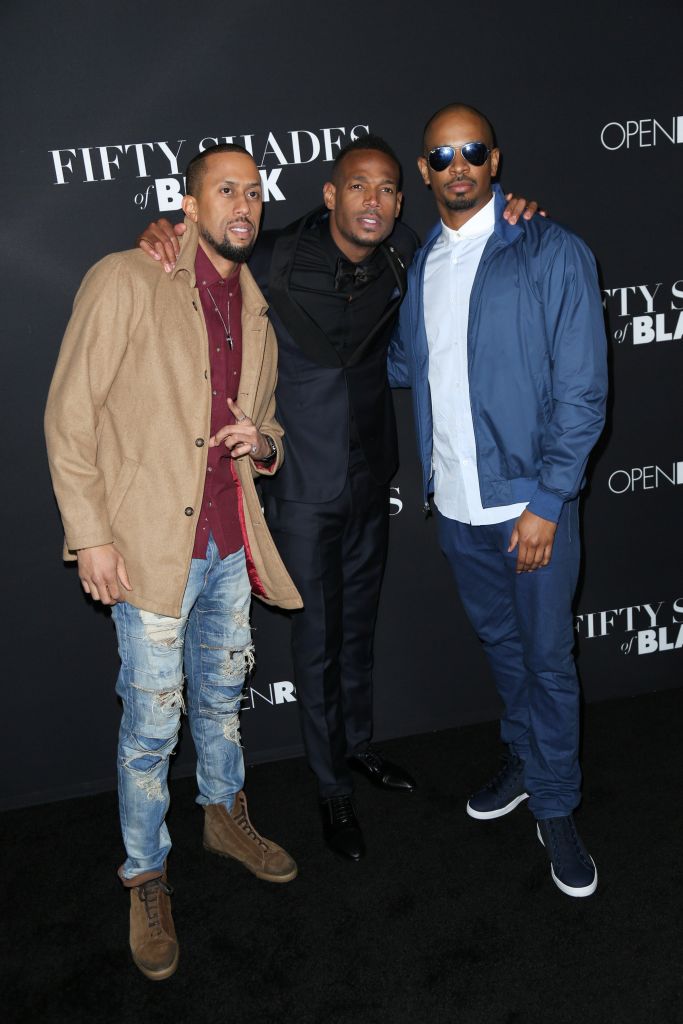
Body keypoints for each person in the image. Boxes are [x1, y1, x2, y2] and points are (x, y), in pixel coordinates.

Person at [139, 135, 537, 862]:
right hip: (297, 486)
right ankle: (329, 789)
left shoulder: (403, 251)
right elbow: (197, 262)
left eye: (387, 189)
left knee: (356, 630)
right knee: (316, 641)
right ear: (330, 194)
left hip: (368, 476)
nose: (373, 202)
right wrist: (164, 230)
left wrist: (514, 217)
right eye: (359, 187)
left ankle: (357, 749)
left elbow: (472, 249)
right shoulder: (272, 256)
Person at [45, 144, 302, 981]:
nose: (245, 204)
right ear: (187, 206)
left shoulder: (256, 310)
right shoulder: (127, 276)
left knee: (222, 702)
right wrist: (91, 535)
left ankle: (225, 817)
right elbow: (68, 415)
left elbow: (268, 427)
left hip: (229, 546)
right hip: (152, 552)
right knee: (152, 727)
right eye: (225, 190)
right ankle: (145, 875)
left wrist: (258, 440)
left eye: (255, 192)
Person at [389, 104, 607, 897]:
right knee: (505, 652)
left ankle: (554, 804)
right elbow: (404, 368)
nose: (457, 165)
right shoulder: (420, 268)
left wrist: (548, 502)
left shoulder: (549, 249)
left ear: (493, 159)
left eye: (471, 151)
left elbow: (582, 394)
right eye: (441, 155)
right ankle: (525, 758)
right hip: (456, 511)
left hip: (528, 510)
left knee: (547, 662)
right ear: (424, 171)